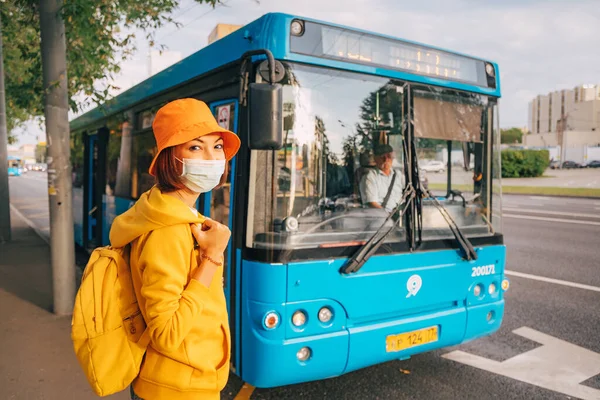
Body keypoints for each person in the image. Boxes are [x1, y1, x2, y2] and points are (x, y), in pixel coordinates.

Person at [109, 98, 241, 400]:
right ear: (171, 158)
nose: (211, 157)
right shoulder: (166, 230)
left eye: (217, 146)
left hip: (186, 378)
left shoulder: (177, 215)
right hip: (177, 388)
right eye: (195, 147)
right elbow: (167, 334)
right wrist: (212, 257)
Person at [359, 144, 404, 212]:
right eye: (382, 157)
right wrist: (388, 217)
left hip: (402, 215)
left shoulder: (398, 174)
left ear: (392, 158)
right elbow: (372, 204)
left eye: (389, 156)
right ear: (375, 158)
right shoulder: (370, 177)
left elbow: (410, 189)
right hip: (382, 217)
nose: (386, 160)